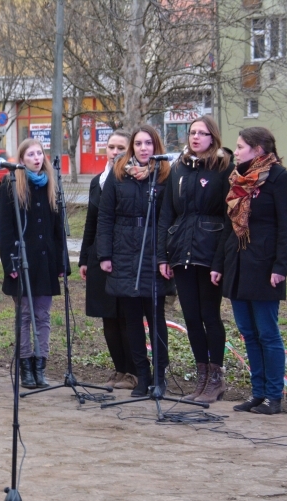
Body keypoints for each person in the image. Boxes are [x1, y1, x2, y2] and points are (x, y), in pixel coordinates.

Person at [212, 127, 287, 415]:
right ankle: (257, 393)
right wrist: (219, 265)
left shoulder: (280, 179)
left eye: (241, 147)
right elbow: (230, 226)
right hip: (237, 265)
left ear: (259, 149)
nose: (236, 152)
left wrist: (280, 267)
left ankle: (274, 396)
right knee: (248, 332)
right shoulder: (236, 179)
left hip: (264, 267)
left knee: (267, 333)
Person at [157, 116, 234, 404]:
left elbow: (229, 217)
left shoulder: (224, 168)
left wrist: (219, 262)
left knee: (209, 315)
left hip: (209, 249)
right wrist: (163, 255)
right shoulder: (178, 168)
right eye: (192, 133)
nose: (196, 137)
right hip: (180, 251)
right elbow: (167, 213)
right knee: (190, 316)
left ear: (213, 138)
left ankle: (216, 377)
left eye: (202, 133)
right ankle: (201, 376)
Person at [97, 125, 173, 398]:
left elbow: (170, 217)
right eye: (139, 143)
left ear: (156, 147)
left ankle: (160, 377)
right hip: (124, 252)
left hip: (153, 250)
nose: (143, 148)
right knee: (131, 319)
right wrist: (105, 255)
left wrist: (165, 255)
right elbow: (105, 217)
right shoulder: (119, 174)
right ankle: (142, 376)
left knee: (156, 318)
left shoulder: (164, 175)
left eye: (148, 143)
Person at [0, 138, 63, 389]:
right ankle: (25, 366)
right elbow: (6, 229)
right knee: (25, 316)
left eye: (40, 153)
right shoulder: (11, 184)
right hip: (23, 261)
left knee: (43, 316)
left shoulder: (51, 186)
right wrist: (11, 264)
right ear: (21, 159)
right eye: (31, 154)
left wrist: (60, 263)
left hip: (45, 262)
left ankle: (40, 366)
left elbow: (57, 229)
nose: (37, 158)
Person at [79, 130, 136, 391]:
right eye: (111, 147)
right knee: (107, 318)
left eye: (120, 147)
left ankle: (134, 372)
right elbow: (91, 222)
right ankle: (119, 368)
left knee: (126, 316)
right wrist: (83, 259)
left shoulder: (134, 179)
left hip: (124, 256)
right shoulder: (97, 181)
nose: (114, 152)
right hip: (98, 256)